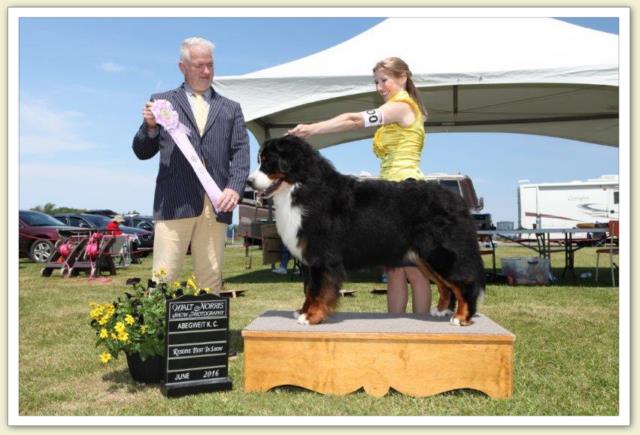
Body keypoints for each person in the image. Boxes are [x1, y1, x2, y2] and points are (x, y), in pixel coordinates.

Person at [288, 56, 431, 314]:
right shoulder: (393, 108)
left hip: (407, 190)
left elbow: (354, 121)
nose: (379, 87)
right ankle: (394, 328)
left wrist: (313, 129)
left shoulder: (402, 107)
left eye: (384, 80)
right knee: (395, 270)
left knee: (414, 270)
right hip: (388, 192)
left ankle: (424, 331)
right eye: (376, 81)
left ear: (403, 78)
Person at [132, 37, 250, 293]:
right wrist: (150, 127)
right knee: (164, 278)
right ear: (182, 67)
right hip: (173, 203)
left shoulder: (231, 108)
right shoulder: (161, 102)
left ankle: (209, 333)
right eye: (199, 65)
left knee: (211, 280)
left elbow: (241, 153)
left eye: (210, 65)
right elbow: (142, 152)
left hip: (216, 205)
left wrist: (235, 188)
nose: (206, 71)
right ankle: (159, 332)